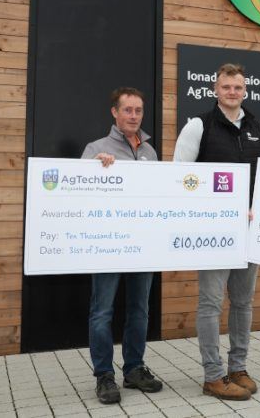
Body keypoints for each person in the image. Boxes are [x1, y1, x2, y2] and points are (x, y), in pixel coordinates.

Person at [173, 63, 260, 401]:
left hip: (249, 231)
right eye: (226, 87)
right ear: (215, 90)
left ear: (245, 91)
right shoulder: (198, 127)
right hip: (214, 232)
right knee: (210, 303)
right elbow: (181, 180)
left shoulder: (259, 129)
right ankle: (213, 374)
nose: (232, 92)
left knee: (243, 302)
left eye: (238, 87)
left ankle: (238, 367)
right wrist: (220, 209)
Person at [81, 87, 163, 404]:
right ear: (114, 112)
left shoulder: (150, 152)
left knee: (139, 310)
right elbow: (79, 192)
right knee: (102, 312)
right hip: (107, 244)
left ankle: (134, 369)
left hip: (143, 244)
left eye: (138, 110)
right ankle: (104, 375)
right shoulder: (96, 149)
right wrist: (94, 168)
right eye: (127, 110)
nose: (133, 116)